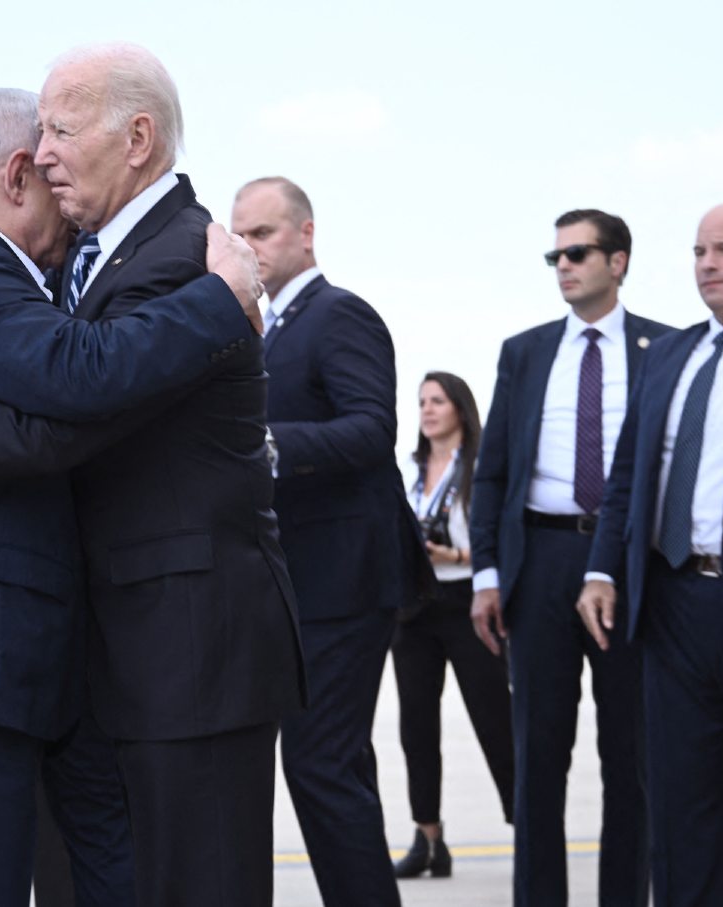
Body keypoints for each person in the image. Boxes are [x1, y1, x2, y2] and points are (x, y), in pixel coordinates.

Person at [0, 46, 305, 907]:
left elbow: (71, 401)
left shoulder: (179, 262)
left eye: (61, 128)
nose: (45, 153)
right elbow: (48, 362)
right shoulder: (28, 265)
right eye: (38, 135)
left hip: (177, 652)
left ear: (136, 138)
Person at [578, 203, 723, 907]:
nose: (707, 264)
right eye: (700, 251)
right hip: (672, 612)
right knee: (681, 823)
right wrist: (604, 566)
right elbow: (628, 475)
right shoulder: (671, 354)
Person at [229, 176, 429, 905]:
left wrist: (262, 444)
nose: (249, 246)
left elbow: (374, 429)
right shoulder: (262, 326)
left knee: (320, 764)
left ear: (306, 234)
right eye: (239, 234)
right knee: (332, 765)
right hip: (299, 584)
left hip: (343, 582)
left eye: (264, 233)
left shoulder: (339, 315)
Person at [470, 209, 674, 906]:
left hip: (627, 566)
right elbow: (491, 471)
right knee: (539, 759)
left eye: (578, 253)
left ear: (618, 262)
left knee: (632, 758)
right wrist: (488, 574)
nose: (563, 265)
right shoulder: (524, 352)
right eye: (554, 256)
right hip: (541, 561)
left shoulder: (665, 350)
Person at [390, 371, 515, 879]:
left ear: (460, 408)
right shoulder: (411, 469)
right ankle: (428, 837)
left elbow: (500, 537)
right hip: (417, 606)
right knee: (416, 726)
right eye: (421, 402)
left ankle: (523, 820)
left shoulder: (482, 467)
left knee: (494, 718)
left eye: (437, 400)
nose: (427, 410)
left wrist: (455, 552)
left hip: (469, 599)